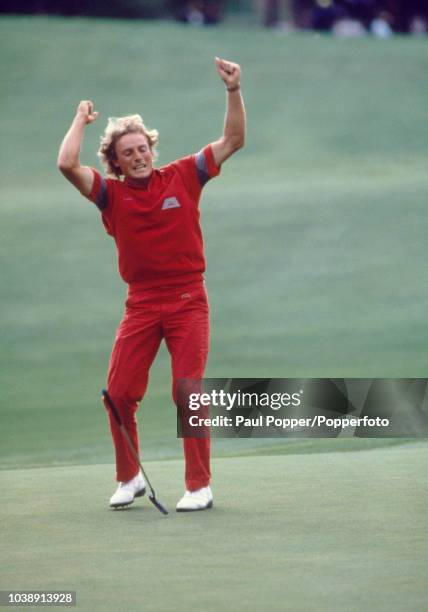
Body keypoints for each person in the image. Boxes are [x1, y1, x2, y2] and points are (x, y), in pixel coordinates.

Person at [57, 57, 246, 512]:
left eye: (143, 148)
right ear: (116, 162)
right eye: (128, 153)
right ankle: (129, 478)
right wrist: (80, 120)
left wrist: (233, 90)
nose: (138, 156)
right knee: (118, 394)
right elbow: (66, 163)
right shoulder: (110, 195)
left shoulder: (184, 175)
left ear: (152, 149)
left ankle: (199, 486)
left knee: (188, 391)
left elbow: (234, 140)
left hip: (187, 300)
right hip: (141, 304)